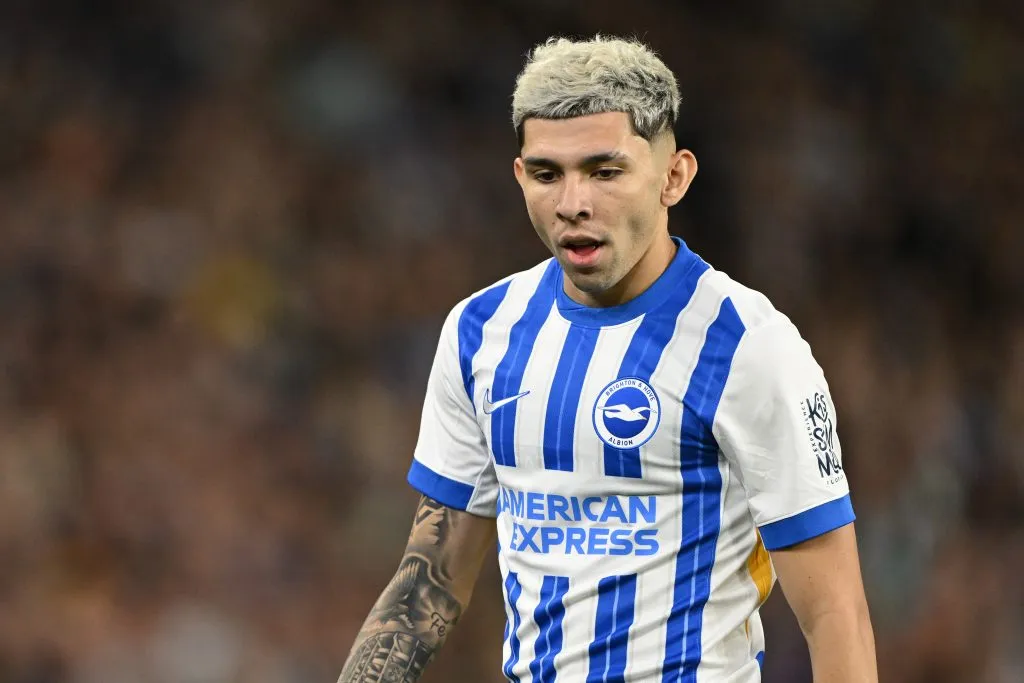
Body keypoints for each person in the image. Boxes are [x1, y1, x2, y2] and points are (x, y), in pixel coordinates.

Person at [337, 35, 877, 683]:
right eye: (547, 173)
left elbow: (835, 612)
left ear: (673, 176)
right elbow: (429, 586)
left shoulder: (748, 345)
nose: (573, 203)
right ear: (519, 177)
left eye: (605, 170)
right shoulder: (481, 332)